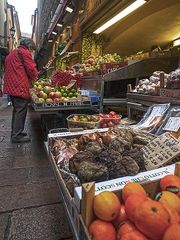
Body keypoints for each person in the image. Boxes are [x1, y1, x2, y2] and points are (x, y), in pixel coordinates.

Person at [3, 38, 38, 143]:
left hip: (12, 85)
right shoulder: (24, 53)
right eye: (32, 49)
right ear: (29, 46)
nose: (32, 51)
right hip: (19, 85)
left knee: (17, 110)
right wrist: (35, 77)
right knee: (20, 110)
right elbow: (31, 69)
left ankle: (17, 132)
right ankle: (16, 136)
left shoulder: (12, 54)